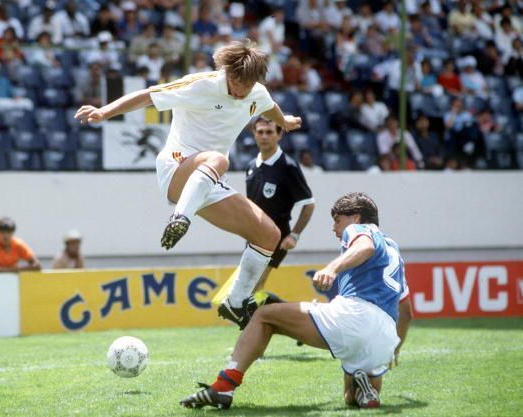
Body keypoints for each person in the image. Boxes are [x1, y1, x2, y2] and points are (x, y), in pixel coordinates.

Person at [75, 39, 302, 328]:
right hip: (176, 168)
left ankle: (235, 303)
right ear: (226, 72)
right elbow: (148, 95)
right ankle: (180, 218)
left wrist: (286, 121)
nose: (240, 90)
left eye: (246, 85)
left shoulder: (256, 93)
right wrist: (104, 112)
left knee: (269, 235)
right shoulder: (201, 84)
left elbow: (268, 107)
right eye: (235, 82)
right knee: (220, 161)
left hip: (208, 180)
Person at [179, 192, 413, 410]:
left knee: (264, 315)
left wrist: (332, 268)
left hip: (356, 317)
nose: (334, 228)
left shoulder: (361, 230)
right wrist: (395, 349)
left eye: (337, 220)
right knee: (350, 400)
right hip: (384, 337)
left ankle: (223, 387)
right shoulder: (393, 251)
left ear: (356, 217)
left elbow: (365, 246)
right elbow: (406, 311)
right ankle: (364, 389)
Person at [244, 117, 315, 298]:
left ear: (279, 134)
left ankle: (260, 323)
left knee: (254, 285)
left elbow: (308, 204)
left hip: (276, 237)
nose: (264, 136)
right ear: (254, 134)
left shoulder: (287, 166)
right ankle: (269, 319)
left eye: (269, 132)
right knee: (247, 286)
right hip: (253, 236)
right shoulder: (252, 166)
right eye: (260, 132)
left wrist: (294, 235)